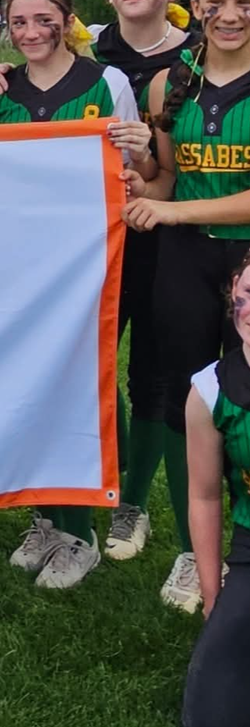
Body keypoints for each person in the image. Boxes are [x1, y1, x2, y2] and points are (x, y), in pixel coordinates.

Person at [0, 0, 193, 603]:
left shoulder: (107, 82)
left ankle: (84, 532)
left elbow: (139, 170)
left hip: (95, 258)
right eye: (19, 22)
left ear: (69, 21)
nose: (31, 32)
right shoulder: (0, 91)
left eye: (45, 20)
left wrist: (137, 152)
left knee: (85, 382)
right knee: (38, 383)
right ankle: (50, 518)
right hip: (25, 262)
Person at [125, 0, 250, 613]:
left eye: (246, 3)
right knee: (187, 402)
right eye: (217, 2)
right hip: (184, 262)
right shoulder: (169, 83)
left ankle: (243, 546)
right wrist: (135, 179)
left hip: (245, 262)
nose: (230, 15)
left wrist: (172, 209)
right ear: (195, 3)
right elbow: (166, 178)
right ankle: (191, 552)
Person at [181, 249, 250, 727]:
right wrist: (212, 597)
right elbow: (204, 496)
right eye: (248, 295)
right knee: (213, 711)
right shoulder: (211, 391)